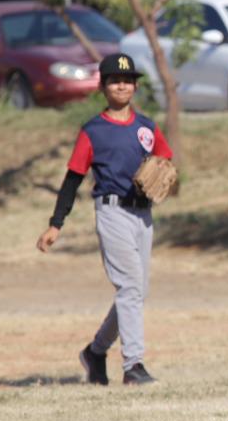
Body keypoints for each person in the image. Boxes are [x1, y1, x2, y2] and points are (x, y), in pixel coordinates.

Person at [35, 53, 171, 386]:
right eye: (114, 79)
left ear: (135, 86)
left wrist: (164, 175)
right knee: (129, 288)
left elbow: (165, 161)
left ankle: (95, 353)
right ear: (103, 86)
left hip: (143, 214)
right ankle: (133, 366)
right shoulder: (93, 130)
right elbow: (72, 178)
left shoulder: (147, 128)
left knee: (136, 291)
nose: (122, 84)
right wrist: (56, 223)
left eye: (127, 80)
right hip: (111, 212)